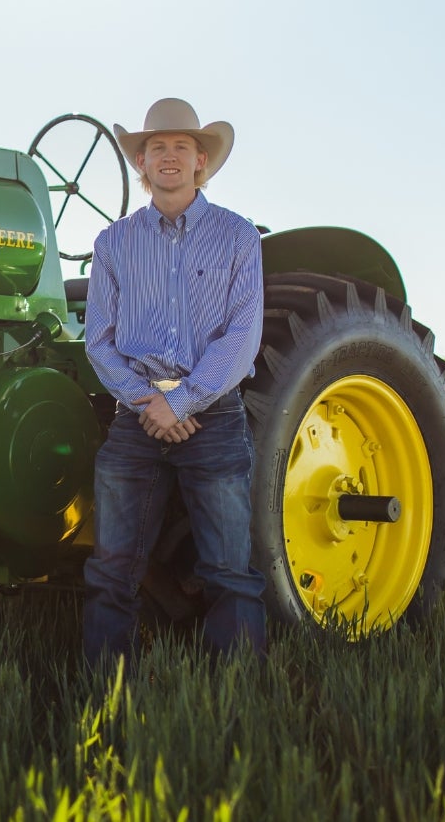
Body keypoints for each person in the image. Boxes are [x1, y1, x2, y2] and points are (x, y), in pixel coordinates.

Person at [81, 96, 267, 662]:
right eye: (155, 147)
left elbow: (243, 334)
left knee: (230, 570)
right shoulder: (113, 243)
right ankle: (103, 689)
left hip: (212, 418)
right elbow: (98, 340)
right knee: (110, 568)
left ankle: (235, 692)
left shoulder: (238, 237)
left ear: (200, 161)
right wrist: (149, 402)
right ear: (140, 163)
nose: (168, 156)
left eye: (180, 147)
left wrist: (182, 402)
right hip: (136, 420)